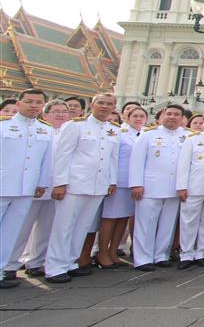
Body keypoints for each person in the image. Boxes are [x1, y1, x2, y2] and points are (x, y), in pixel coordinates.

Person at [44, 93, 119, 283]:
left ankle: (70, 262)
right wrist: (60, 183)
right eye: (100, 103)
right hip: (75, 184)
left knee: (82, 226)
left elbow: (112, 159)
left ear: (114, 107)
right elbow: (63, 155)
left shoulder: (112, 130)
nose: (104, 106)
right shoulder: (76, 126)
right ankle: (54, 267)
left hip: (98, 185)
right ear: (92, 105)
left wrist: (111, 181)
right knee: (64, 226)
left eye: (109, 104)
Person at [4, 98, 68, 279]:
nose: (60, 114)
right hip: (31, 186)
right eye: (56, 111)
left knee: (47, 227)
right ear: (45, 114)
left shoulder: (69, 131)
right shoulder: (39, 130)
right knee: (20, 227)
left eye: (64, 111)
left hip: (57, 187)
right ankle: (10, 263)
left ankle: (36, 261)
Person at [0, 89, 53, 288]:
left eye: (38, 102)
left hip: (26, 187)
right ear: (19, 103)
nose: (33, 106)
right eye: (29, 101)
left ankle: (2, 269)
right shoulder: (4, 126)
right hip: (3, 184)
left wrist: (41, 183)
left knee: (11, 231)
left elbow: (46, 161)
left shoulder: (45, 130)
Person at [129, 104, 188, 271]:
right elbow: (137, 161)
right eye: (169, 114)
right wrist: (136, 184)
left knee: (167, 224)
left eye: (176, 114)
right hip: (150, 186)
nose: (172, 117)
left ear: (182, 118)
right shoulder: (148, 134)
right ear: (162, 116)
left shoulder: (187, 136)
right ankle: (143, 258)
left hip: (174, 187)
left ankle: (161, 254)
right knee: (145, 223)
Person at [96, 106, 147, 268]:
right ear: (127, 117)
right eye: (135, 116)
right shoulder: (119, 133)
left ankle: (113, 251)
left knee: (123, 218)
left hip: (135, 183)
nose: (138, 119)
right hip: (118, 181)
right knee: (110, 218)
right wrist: (111, 181)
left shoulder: (146, 134)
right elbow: (111, 158)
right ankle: (102, 252)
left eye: (141, 116)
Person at [175, 110, 204, 269]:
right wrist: (181, 187)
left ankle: (202, 252)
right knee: (189, 221)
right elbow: (183, 165)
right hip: (194, 187)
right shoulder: (192, 139)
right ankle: (187, 253)